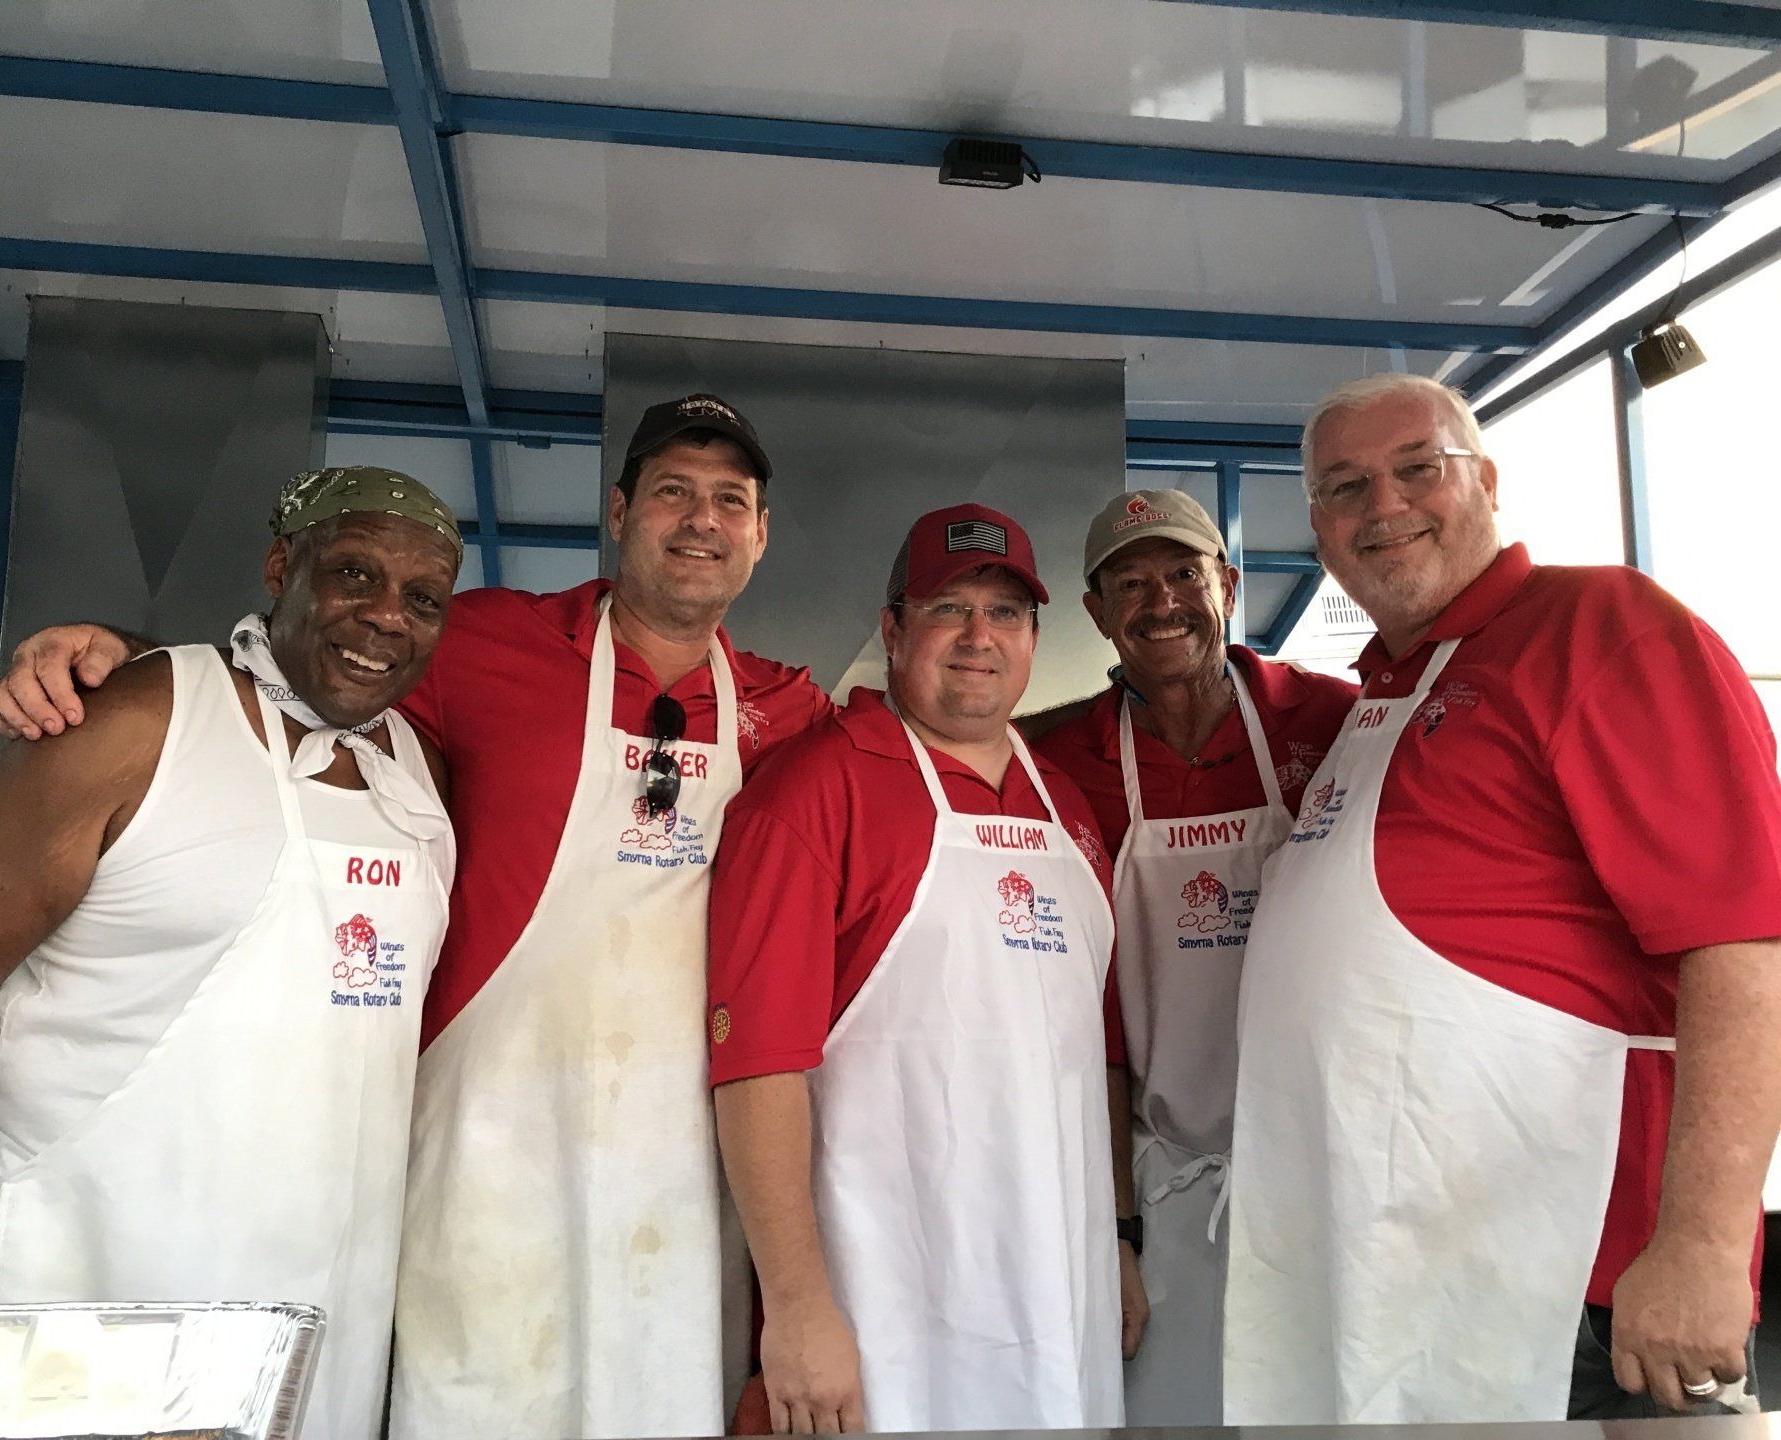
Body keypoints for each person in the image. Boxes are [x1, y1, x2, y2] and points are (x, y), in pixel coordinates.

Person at [0, 396, 835, 1440]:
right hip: (483, 1150)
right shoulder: (484, 640)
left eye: (730, 501)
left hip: (688, 1167)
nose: (701, 520)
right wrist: (120, 652)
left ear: (759, 534)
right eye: (673, 491)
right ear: (619, 513)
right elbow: (296, 684)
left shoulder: (794, 713)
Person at [1223, 373, 1781, 1425]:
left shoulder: (1602, 628)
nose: (1383, 505)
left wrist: (1702, 1245)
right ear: (1318, 527)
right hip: (1409, 1271)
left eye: (1417, 468)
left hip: (1580, 1284)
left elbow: (1745, 942)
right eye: (1344, 486)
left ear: (1484, 480)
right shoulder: (1387, 687)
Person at [0, 467, 463, 1440]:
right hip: (69, 1300)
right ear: (282, 566)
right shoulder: (131, 725)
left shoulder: (419, 777)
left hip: (312, 1323)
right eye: (354, 573)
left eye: (423, 598)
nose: (387, 615)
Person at [707, 503, 1141, 1435]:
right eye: (949, 608)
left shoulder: (1067, 806)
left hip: (1062, 1293)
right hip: (889, 1305)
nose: (980, 637)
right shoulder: (813, 792)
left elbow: (1093, 1047)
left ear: (1034, 638)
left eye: (1006, 612)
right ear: (894, 629)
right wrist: (796, 1309)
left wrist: (1115, 1235)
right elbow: (756, 1070)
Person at [1030, 488, 1353, 1424]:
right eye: (1129, 583)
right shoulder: (1056, 760)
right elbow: (1077, 1006)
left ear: (1229, 586)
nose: (1161, 601)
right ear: (1097, 613)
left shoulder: (1334, 723)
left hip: (1323, 1161)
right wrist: (1113, 1222)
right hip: (1159, 1171)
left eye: (1183, 573)